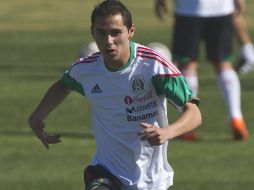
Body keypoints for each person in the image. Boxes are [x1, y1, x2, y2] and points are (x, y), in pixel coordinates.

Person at [29, 0, 202, 190]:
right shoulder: (86, 70)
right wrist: (38, 116)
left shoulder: (154, 66)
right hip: (106, 172)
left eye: (115, 32)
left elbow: (194, 113)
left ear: (131, 31)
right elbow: (63, 85)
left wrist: (166, 132)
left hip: (151, 180)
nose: (108, 40)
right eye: (101, 33)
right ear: (92, 32)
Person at [154, 0, 249, 140]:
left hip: (188, 9)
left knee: (188, 65)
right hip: (221, 8)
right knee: (223, 64)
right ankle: (236, 117)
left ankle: (188, 126)